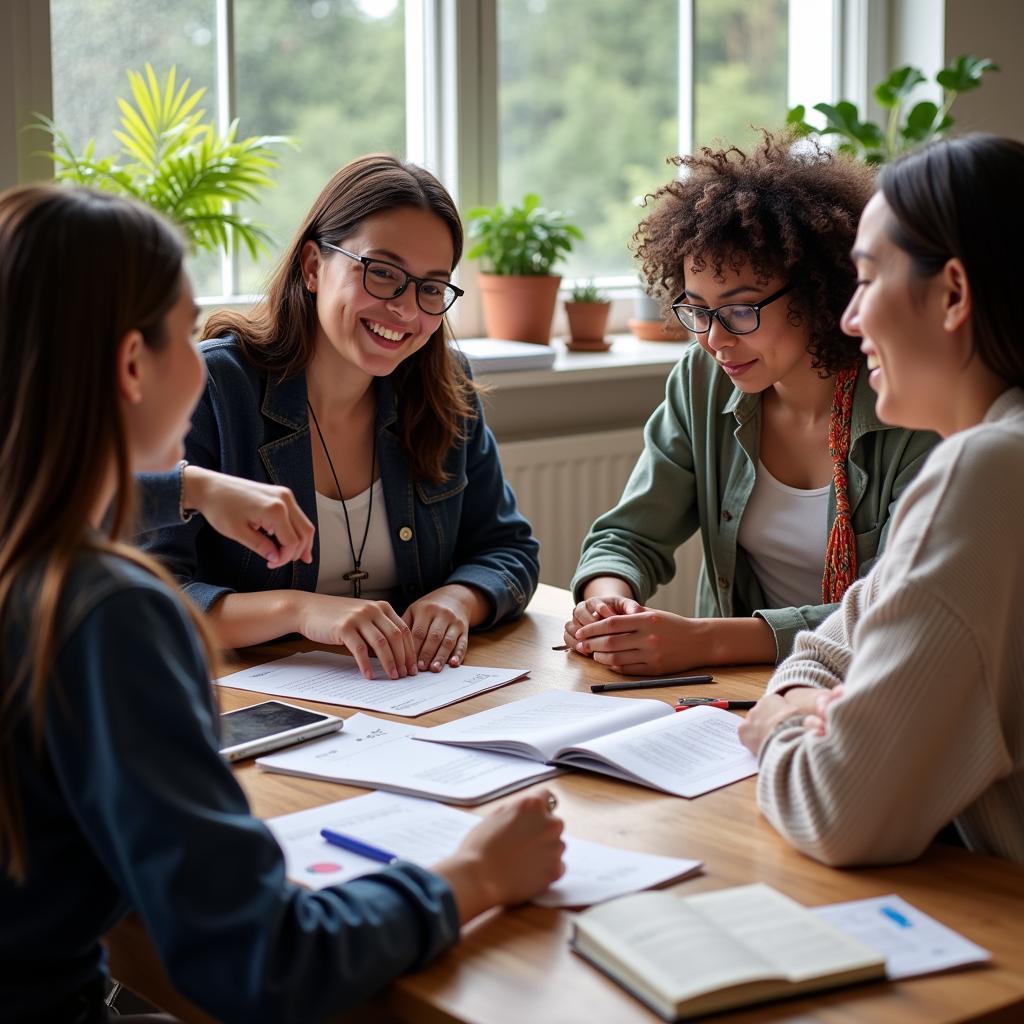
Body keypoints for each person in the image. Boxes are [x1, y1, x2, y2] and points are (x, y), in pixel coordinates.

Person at [0, 184, 565, 1023]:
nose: (203, 357)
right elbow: (266, 961)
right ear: (130, 365)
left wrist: (187, 486)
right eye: (186, 329)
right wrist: (475, 874)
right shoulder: (112, 613)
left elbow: (507, 545)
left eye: (429, 287)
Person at [738, 134, 1024, 866]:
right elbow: (838, 638)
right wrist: (812, 694)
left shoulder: (988, 468)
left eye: (867, 281)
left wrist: (778, 724)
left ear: (953, 293)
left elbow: (836, 810)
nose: (850, 319)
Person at [142, 155, 538, 680]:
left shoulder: (446, 385)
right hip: (249, 699)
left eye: (431, 288)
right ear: (312, 267)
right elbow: (154, 596)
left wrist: (458, 600)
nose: (406, 309)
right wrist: (301, 611)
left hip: (407, 697)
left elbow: (508, 549)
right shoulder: (216, 388)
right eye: (382, 273)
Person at [565, 134, 938, 675]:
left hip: (875, 684)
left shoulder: (909, 405)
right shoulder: (703, 379)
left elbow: (898, 608)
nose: (715, 340)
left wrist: (706, 642)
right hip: (737, 690)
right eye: (696, 310)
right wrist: (605, 601)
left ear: (818, 292)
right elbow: (630, 534)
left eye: (740, 311)